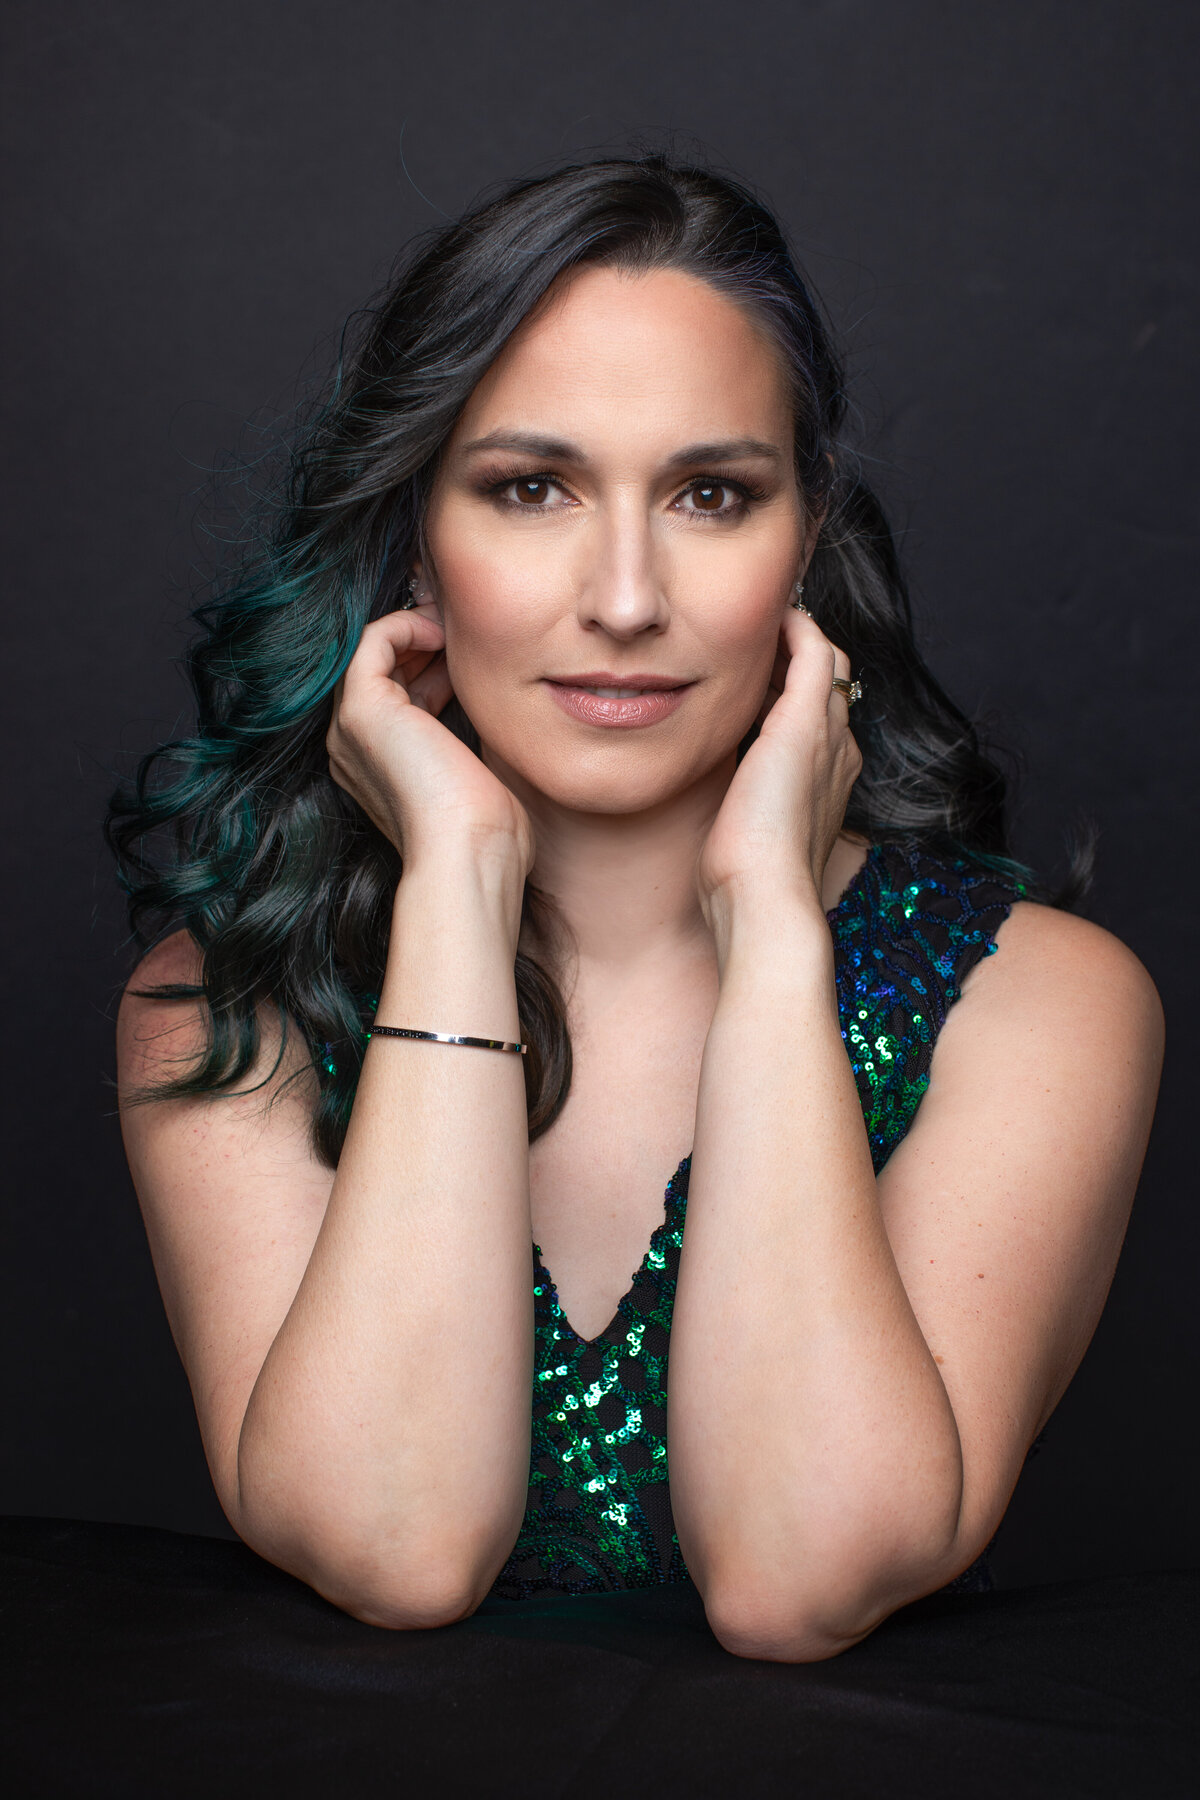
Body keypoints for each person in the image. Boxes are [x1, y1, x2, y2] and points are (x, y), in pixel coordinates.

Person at [106, 157, 1163, 1663]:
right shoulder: (221, 1011)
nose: (622, 595)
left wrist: (778, 937)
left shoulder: (1037, 1007)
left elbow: (800, 1576)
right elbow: (395, 1546)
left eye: (711, 494)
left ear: (802, 544)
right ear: (417, 541)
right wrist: (460, 884)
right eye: (530, 488)